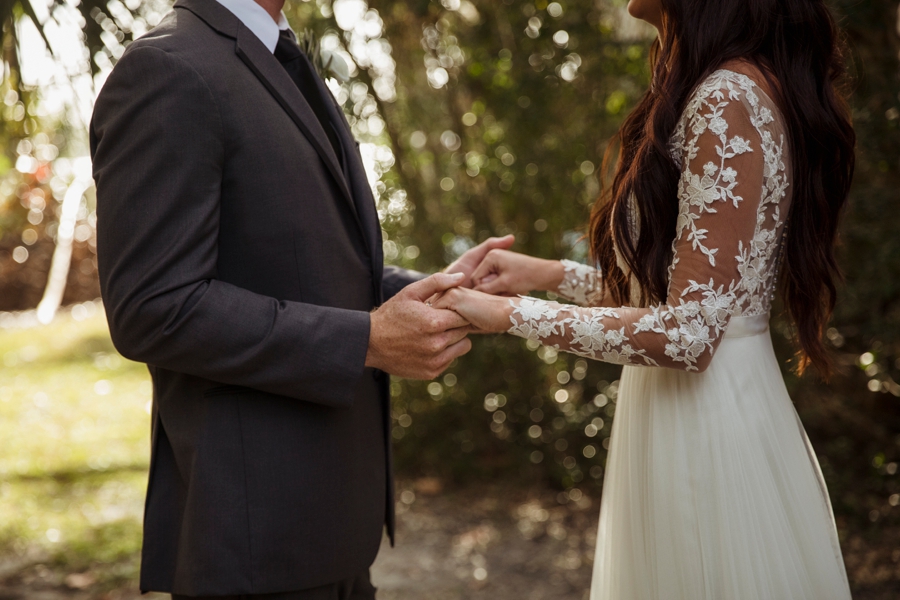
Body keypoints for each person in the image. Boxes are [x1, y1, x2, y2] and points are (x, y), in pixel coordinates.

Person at [89, 0, 514, 596]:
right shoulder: (168, 68)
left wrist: (432, 292)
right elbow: (154, 306)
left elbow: (302, 266)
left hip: (333, 525)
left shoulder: (279, 54)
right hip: (257, 536)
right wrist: (365, 340)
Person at [433, 0, 855, 597]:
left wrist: (510, 315)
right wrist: (546, 274)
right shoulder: (741, 84)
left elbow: (687, 334)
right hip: (712, 399)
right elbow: (683, 296)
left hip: (705, 422)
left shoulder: (724, 97)